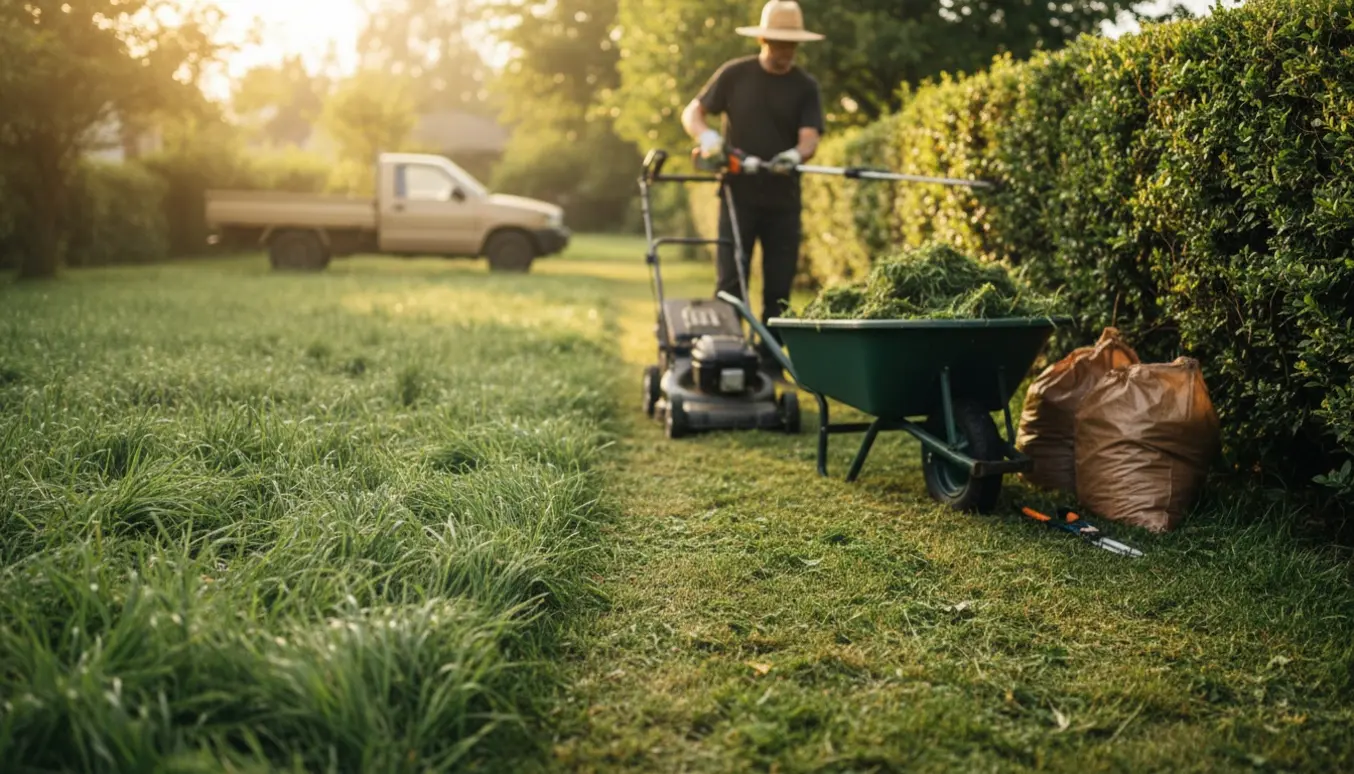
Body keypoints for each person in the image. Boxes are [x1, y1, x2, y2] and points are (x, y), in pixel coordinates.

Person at [681, 0, 826, 379]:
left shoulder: (805, 86)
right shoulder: (735, 74)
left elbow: (810, 138)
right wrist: (709, 136)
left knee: (778, 286)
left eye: (791, 46)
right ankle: (723, 356)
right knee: (730, 280)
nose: (785, 53)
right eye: (779, 44)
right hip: (736, 196)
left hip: (783, 201)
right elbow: (693, 112)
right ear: (763, 39)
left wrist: (795, 155)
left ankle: (770, 361)